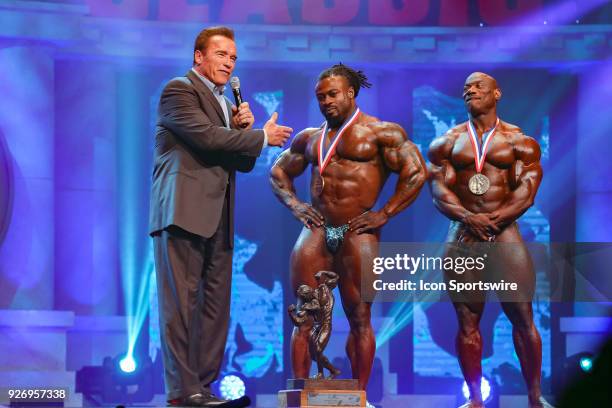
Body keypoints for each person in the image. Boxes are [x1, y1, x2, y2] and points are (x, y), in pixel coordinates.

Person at [149, 26, 292, 407]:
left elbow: (240, 163)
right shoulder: (179, 91)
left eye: (233, 58)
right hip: (181, 213)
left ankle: (204, 387)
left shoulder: (225, 106)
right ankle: (183, 392)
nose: (228, 63)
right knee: (180, 306)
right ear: (199, 56)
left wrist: (243, 130)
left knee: (215, 307)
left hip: (219, 218)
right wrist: (260, 136)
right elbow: (207, 140)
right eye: (221, 54)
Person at [270, 64, 427, 395]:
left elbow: (416, 172)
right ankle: (299, 393)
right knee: (303, 314)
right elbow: (278, 172)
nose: (326, 101)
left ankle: (360, 396)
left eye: (332, 94)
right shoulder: (310, 138)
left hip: (359, 229)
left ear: (351, 93)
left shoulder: (381, 132)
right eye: (320, 96)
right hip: (317, 227)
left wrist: (385, 212)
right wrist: (296, 205)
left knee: (359, 316)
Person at [428, 72, 553, 408]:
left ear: (496, 94)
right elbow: (438, 192)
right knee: (467, 320)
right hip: (463, 234)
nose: (469, 89)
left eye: (477, 86)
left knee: (523, 316)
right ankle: (475, 401)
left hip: (505, 233)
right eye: (465, 87)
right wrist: (470, 218)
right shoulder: (448, 143)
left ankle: (534, 398)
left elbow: (527, 192)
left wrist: (493, 220)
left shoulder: (519, 141)